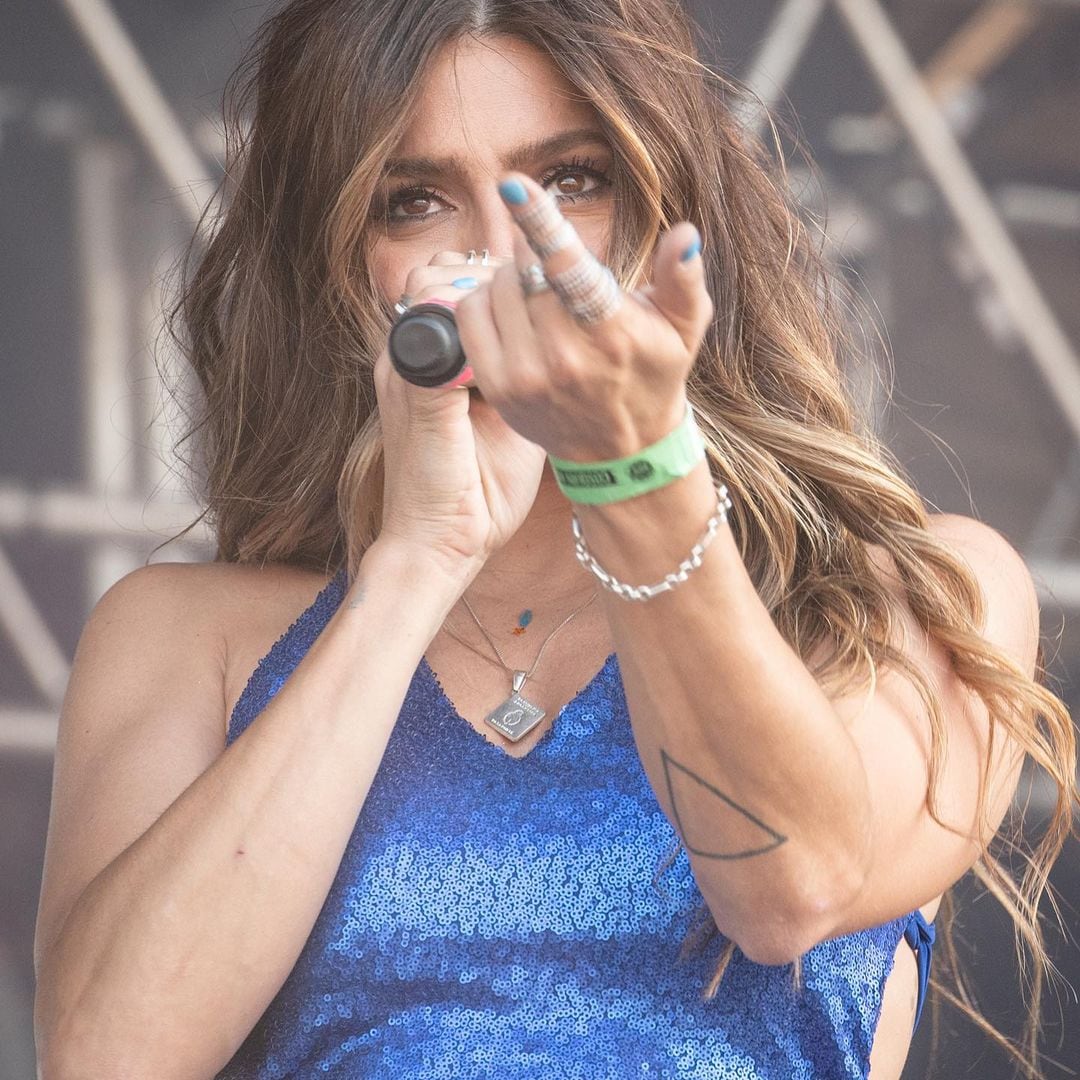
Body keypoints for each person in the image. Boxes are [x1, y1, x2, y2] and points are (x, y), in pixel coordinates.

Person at [31, 1, 1076, 1078]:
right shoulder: (185, 634)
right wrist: (415, 565)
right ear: (344, 271)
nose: (502, 252)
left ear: (673, 208)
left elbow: (788, 890)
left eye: (572, 180)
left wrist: (631, 465)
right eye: (415, 200)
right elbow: (107, 1056)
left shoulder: (911, 595)